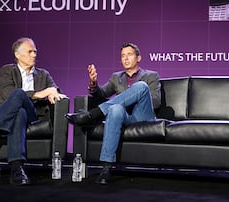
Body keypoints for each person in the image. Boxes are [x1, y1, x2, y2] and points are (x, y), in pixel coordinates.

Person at [0, 37, 67, 185]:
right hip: (2, 111)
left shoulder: (43, 74)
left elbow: (54, 90)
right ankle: (17, 170)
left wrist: (52, 93)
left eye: (35, 51)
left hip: (33, 114)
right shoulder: (6, 70)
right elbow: (8, 94)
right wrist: (40, 94)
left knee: (23, 106)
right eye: (30, 51)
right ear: (17, 55)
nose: (34, 55)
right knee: (19, 108)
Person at [65, 43, 161, 185]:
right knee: (115, 109)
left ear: (138, 57)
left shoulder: (151, 75)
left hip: (143, 115)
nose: (125, 58)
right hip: (125, 117)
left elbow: (156, 102)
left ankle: (93, 114)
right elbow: (101, 94)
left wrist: (133, 95)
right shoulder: (116, 77)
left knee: (141, 86)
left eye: (129, 54)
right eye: (123, 56)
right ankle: (106, 168)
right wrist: (94, 84)